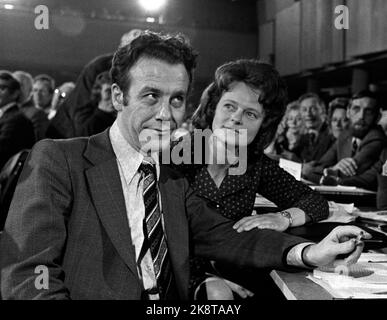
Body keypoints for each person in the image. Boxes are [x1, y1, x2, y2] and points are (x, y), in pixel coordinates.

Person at [0, 31, 370, 300]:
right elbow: (28, 274)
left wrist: (309, 253)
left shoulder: (169, 174)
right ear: (117, 97)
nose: (165, 114)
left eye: (176, 99)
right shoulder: (59, 159)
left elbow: (226, 236)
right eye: (150, 96)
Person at [178, 60, 328, 298]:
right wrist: (211, 279)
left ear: (263, 125)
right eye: (229, 106)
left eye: (250, 113)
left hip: (238, 270)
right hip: (176, 275)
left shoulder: (255, 164)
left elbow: (316, 202)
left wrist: (283, 218)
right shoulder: (177, 156)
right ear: (213, 108)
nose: (236, 118)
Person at [46, 29, 142, 139]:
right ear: (121, 49)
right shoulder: (100, 67)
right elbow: (81, 118)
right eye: (131, 49)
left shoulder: (141, 74)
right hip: (66, 135)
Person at [305, 90, 387, 184]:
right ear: (348, 112)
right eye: (356, 109)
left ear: (377, 117)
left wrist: (332, 171)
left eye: (368, 111)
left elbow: (347, 173)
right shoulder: (345, 135)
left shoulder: (377, 138)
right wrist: (331, 169)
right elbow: (317, 166)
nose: (361, 116)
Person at [0, 71, 35, 170]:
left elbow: (2, 151)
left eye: (2, 88)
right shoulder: (7, 116)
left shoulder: (16, 120)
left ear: (15, 93)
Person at [295, 93, 335, 163]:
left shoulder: (332, 136)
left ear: (322, 111)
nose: (308, 114)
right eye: (304, 110)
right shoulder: (300, 138)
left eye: (313, 109)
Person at [73, 71, 116, 137]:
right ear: (98, 93)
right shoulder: (91, 125)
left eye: (115, 91)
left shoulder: (117, 121)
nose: (113, 96)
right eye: (108, 91)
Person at [21, 74, 55, 141]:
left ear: (51, 94)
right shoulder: (25, 113)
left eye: (42, 91)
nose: (38, 94)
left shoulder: (55, 116)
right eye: (35, 90)